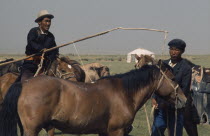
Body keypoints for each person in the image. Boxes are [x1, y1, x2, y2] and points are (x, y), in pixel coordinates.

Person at [151, 39, 192, 136]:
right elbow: (155, 83)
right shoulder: (162, 64)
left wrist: (170, 102)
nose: (173, 52)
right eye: (172, 49)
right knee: (156, 132)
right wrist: (153, 97)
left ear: (182, 51)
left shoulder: (186, 68)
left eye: (177, 50)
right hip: (160, 107)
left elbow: (184, 89)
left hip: (176, 108)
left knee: (175, 133)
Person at [21, 10, 59, 82]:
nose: (48, 24)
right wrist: (41, 49)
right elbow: (31, 43)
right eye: (46, 21)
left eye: (49, 21)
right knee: (24, 82)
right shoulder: (33, 31)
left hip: (45, 65)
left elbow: (54, 49)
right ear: (39, 22)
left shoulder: (51, 36)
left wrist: (53, 55)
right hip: (30, 64)